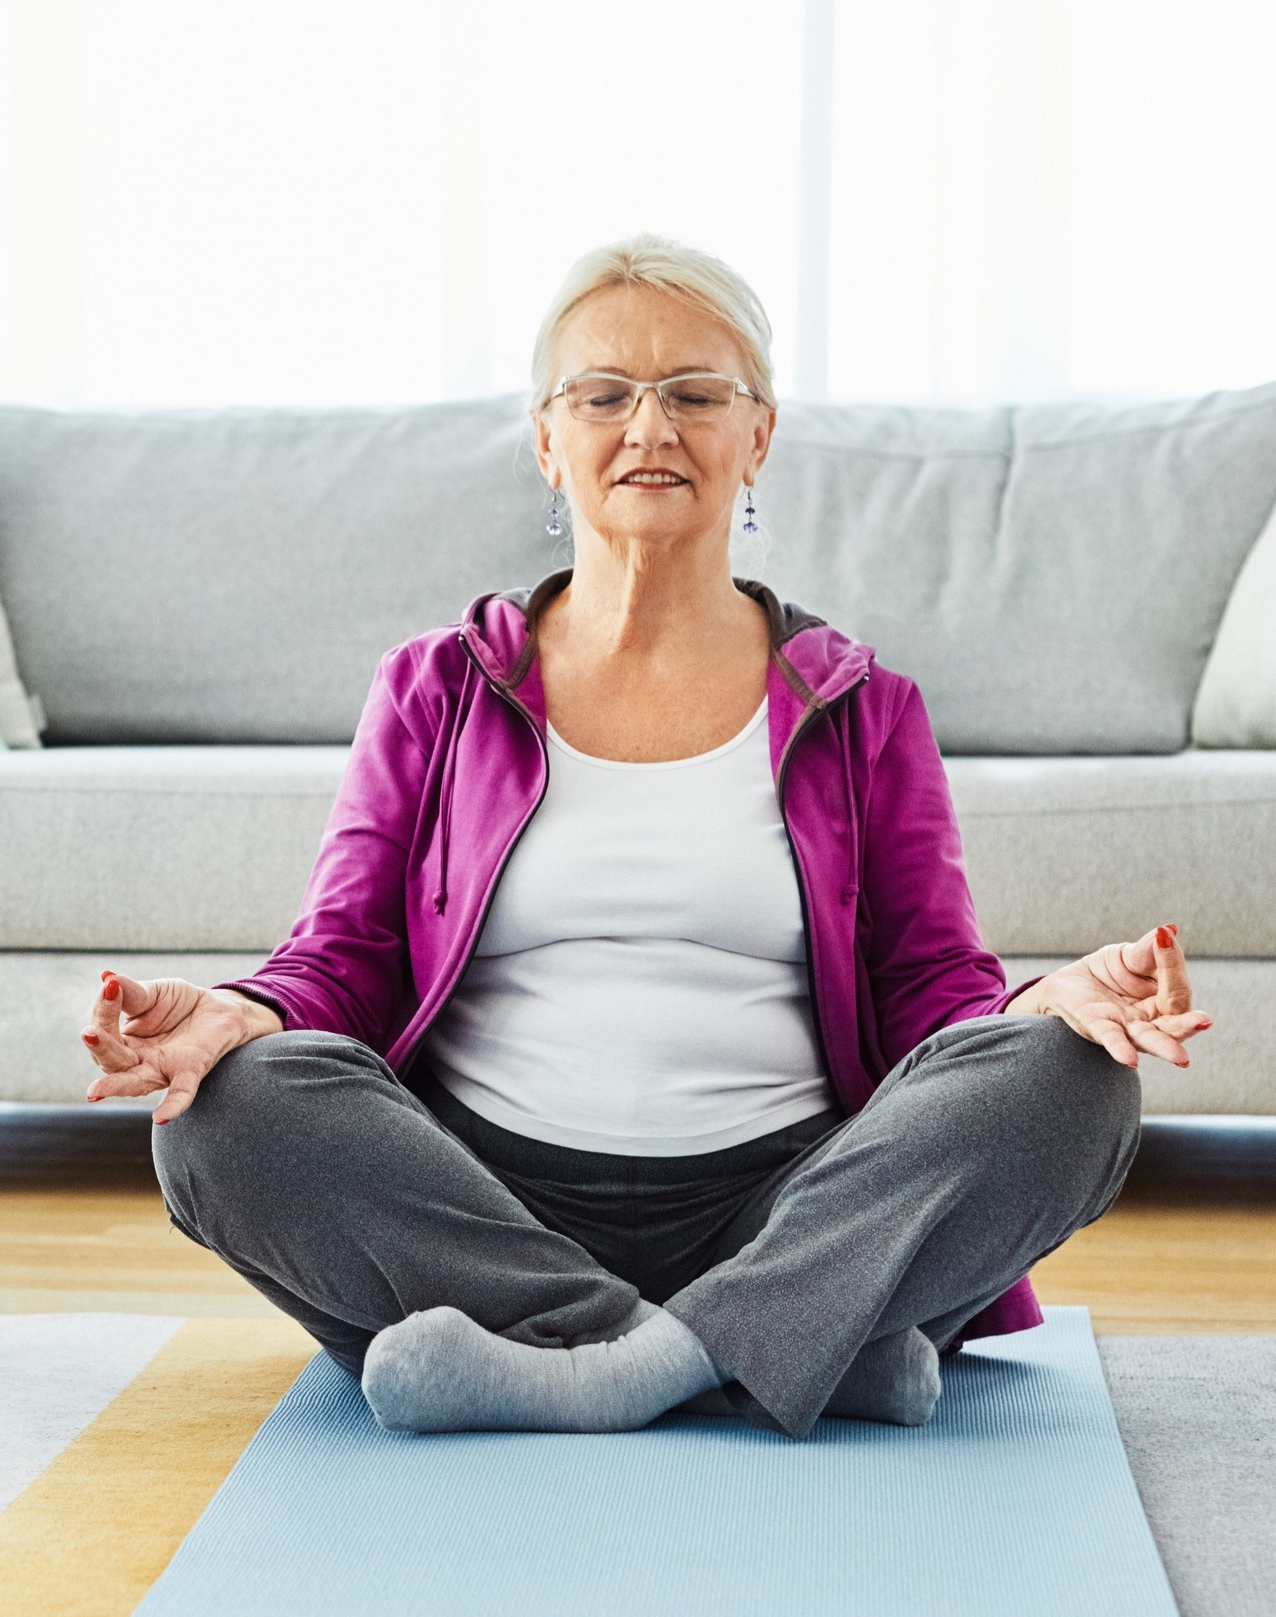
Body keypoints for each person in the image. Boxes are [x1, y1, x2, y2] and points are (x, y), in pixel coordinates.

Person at [78, 234, 1211, 1443]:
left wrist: (1044, 1007)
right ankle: (786, 1353)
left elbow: (930, 990)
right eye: (604, 394)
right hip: (484, 1202)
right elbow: (345, 956)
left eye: (695, 394)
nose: (650, 428)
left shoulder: (862, 703)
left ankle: (591, 1368)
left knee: (1075, 1083)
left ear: (758, 434)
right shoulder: (433, 688)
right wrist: (246, 1013)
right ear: (546, 440)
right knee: (224, 1112)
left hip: (789, 1204)